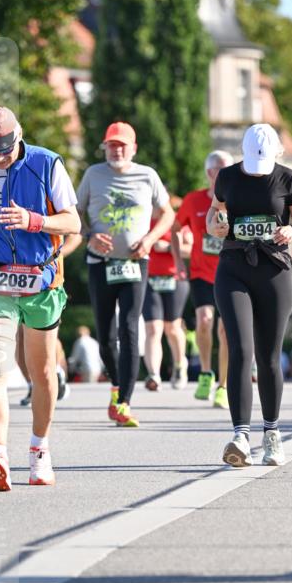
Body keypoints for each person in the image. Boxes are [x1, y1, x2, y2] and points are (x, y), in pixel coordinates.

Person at [0, 106, 80, 491]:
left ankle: (39, 451)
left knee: (42, 373)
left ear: (19, 136)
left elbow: (73, 223)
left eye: (4, 150)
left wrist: (34, 221)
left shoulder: (47, 164)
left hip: (41, 279)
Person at [207, 124, 292, 467]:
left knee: (268, 356)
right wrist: (215, 225)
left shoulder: (288, 179)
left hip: (274, 271)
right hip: (234, 266)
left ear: (277, 153)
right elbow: (214, 211)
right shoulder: (228, 177)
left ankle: (272, 434)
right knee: (240, 349)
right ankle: (240, 435)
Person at [71, 121, 174, 427]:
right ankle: (117, 385)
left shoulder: (148, 175)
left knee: (130, 328)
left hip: (134, 262)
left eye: (121, 146)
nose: (116, 151)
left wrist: (150, 240)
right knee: (105, 336)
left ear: (133, 149)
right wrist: (90, 236)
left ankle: (125, 401)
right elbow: (74, 214)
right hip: (100, 263)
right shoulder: (93, 174)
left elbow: (168, 213)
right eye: (111, 146)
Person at [173, 151, 233, 409]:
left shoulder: (238, 200)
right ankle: (206, 373)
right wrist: (178, 262)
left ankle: (224, 385)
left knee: (226, 330)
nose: (227, 173)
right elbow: (175, 229)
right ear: (210, 173)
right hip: (200, 273)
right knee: (205, 322)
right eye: (221, 169)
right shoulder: (194, 200)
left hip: (231, 273)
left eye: (230, 168)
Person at [142, 214, 192, 390]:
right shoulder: (142, 220)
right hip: (148, 280)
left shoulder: (177, 222)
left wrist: (168, 247)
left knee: (172, 328)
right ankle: (154, 374)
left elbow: (192, 249)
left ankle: (179, 365)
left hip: (175, 279)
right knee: (153, 328)